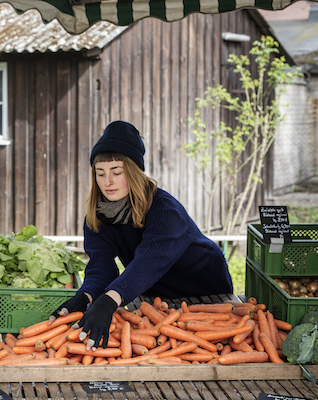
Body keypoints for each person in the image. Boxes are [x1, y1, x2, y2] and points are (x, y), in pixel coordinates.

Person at [53, 120, 233, 349]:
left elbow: (150, 260)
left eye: (116, 172)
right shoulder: (97, 216)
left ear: (133, 171)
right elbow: (101, 268)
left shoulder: (165, 210)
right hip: (156, 297)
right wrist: (86, 297)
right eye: (100, 173)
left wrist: (109, 300)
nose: (107, 182)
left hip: (206, 292)